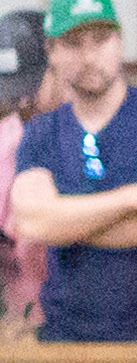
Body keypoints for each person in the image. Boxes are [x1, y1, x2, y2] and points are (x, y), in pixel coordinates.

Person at [7, 0, 137, 343]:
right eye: (73, 44)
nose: (89, 56)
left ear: (120, 43)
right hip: (64, 338)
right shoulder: (42, 132)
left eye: (100, 39)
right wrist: (135, 197)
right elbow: (34, 223)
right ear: (51, 51)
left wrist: (64, 222)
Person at [1, 8, 54, 338]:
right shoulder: (8, 138)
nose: (23, 100)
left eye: (30, 88)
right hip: (19, 322)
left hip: (69, 320)